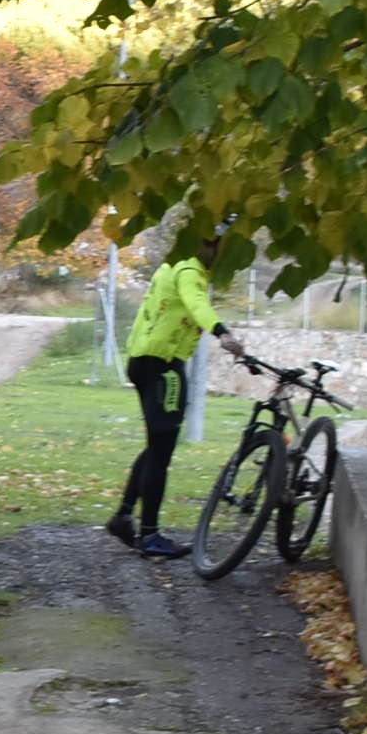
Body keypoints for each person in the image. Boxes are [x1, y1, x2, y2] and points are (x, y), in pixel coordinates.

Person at [108, 237, 246, 557]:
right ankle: (149, 535)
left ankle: (124, 516)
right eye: (214, 245)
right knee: (162, 452)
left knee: (156, 446)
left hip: (142, 361)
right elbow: (197, 304)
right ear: (205, 246)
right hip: (164, 367)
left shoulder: (168, 267)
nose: (217, 252)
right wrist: (222, 332)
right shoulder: (189, 270)